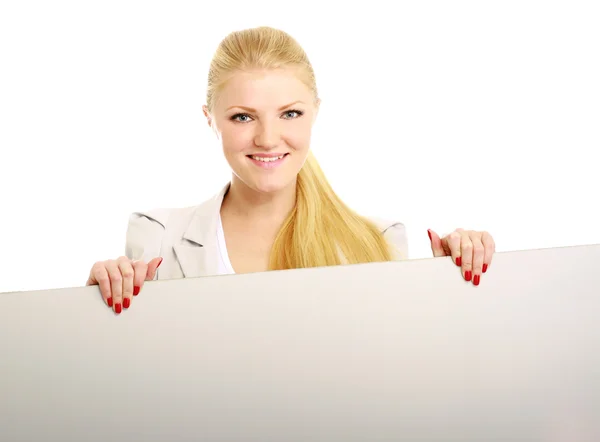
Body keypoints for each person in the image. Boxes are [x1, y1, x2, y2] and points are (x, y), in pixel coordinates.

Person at [86, 26, 496, 314]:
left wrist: (453, 289)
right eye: (243, 117)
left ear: (315, 112)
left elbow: (400, 374)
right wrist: (90, 313)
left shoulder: (380, 242)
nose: (267, 138)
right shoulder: (157, 236)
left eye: (290, 113)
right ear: (209, 119)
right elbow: (133, 377)